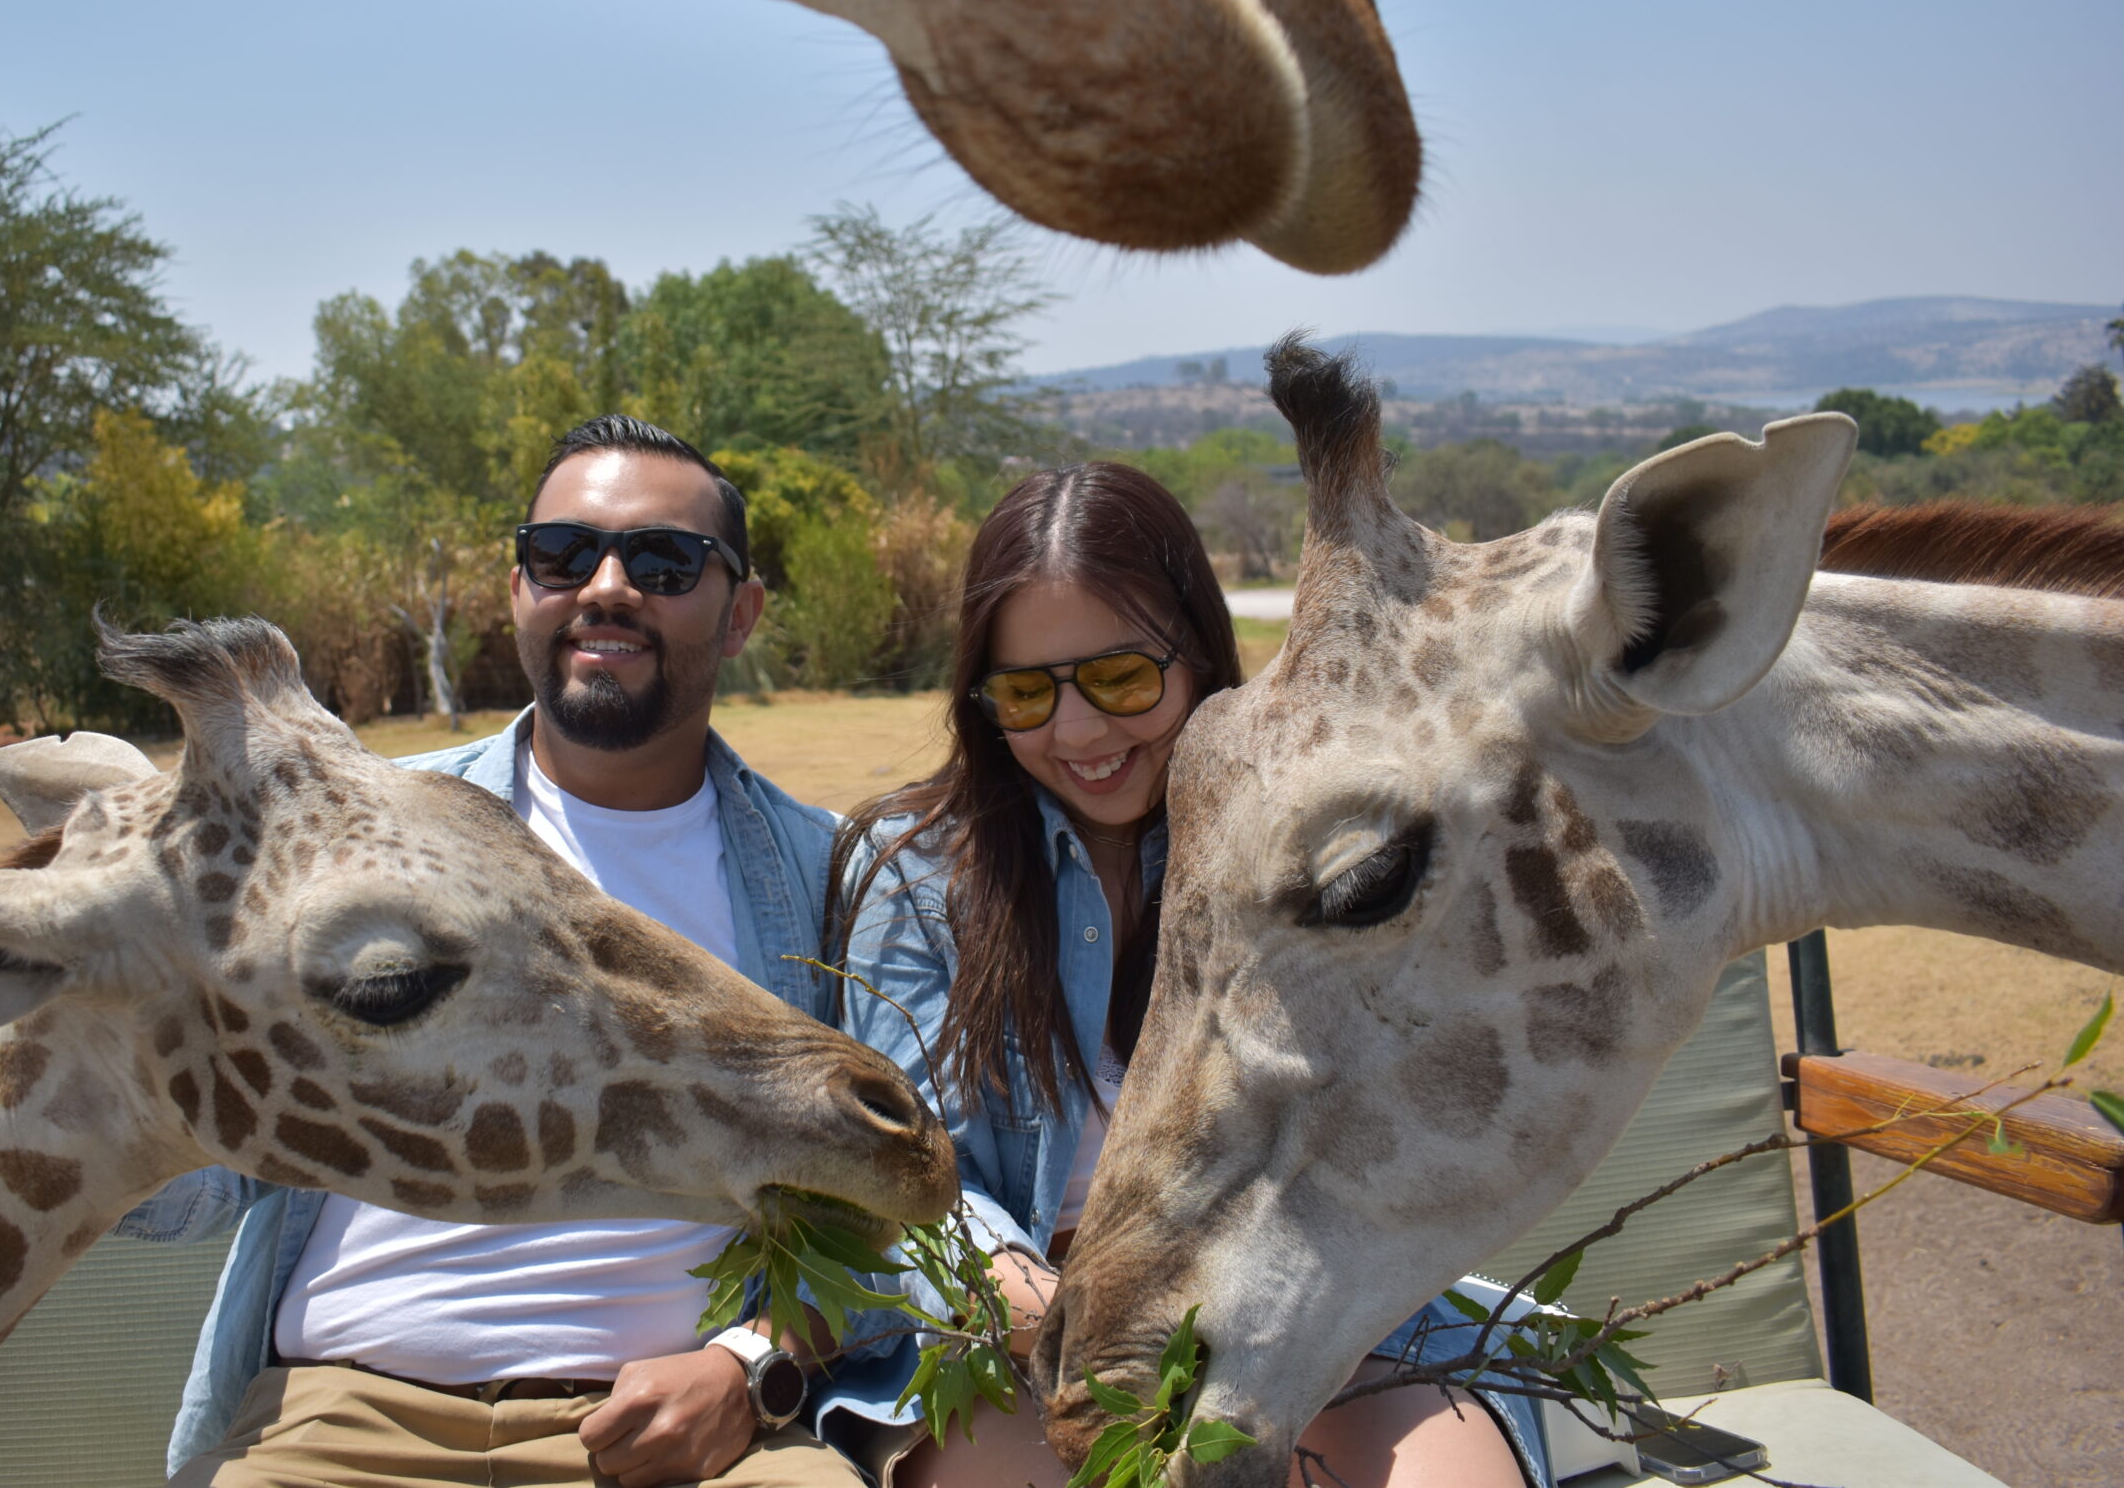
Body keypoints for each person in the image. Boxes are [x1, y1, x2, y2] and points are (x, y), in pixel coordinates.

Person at [120, 416, 866, 1488]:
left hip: (686, 1437)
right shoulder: (351, 834)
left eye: (664, 562)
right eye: (562, 554)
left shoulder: (828, 875)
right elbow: (196, 1167)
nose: (606, 585)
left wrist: (750, 1367)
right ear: (520, 588)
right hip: (347, 1414)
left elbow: (900, 1198)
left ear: (740, 611)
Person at [822, 462, 1552, 1488]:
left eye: (1120, 678)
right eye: (1026, 693)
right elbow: (911, 1181)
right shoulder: (915, 873)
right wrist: (1084, 1329)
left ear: (1198, 653)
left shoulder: (1319, 849)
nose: (1076, 733)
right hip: (1018, 1340)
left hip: (1306, 1315)